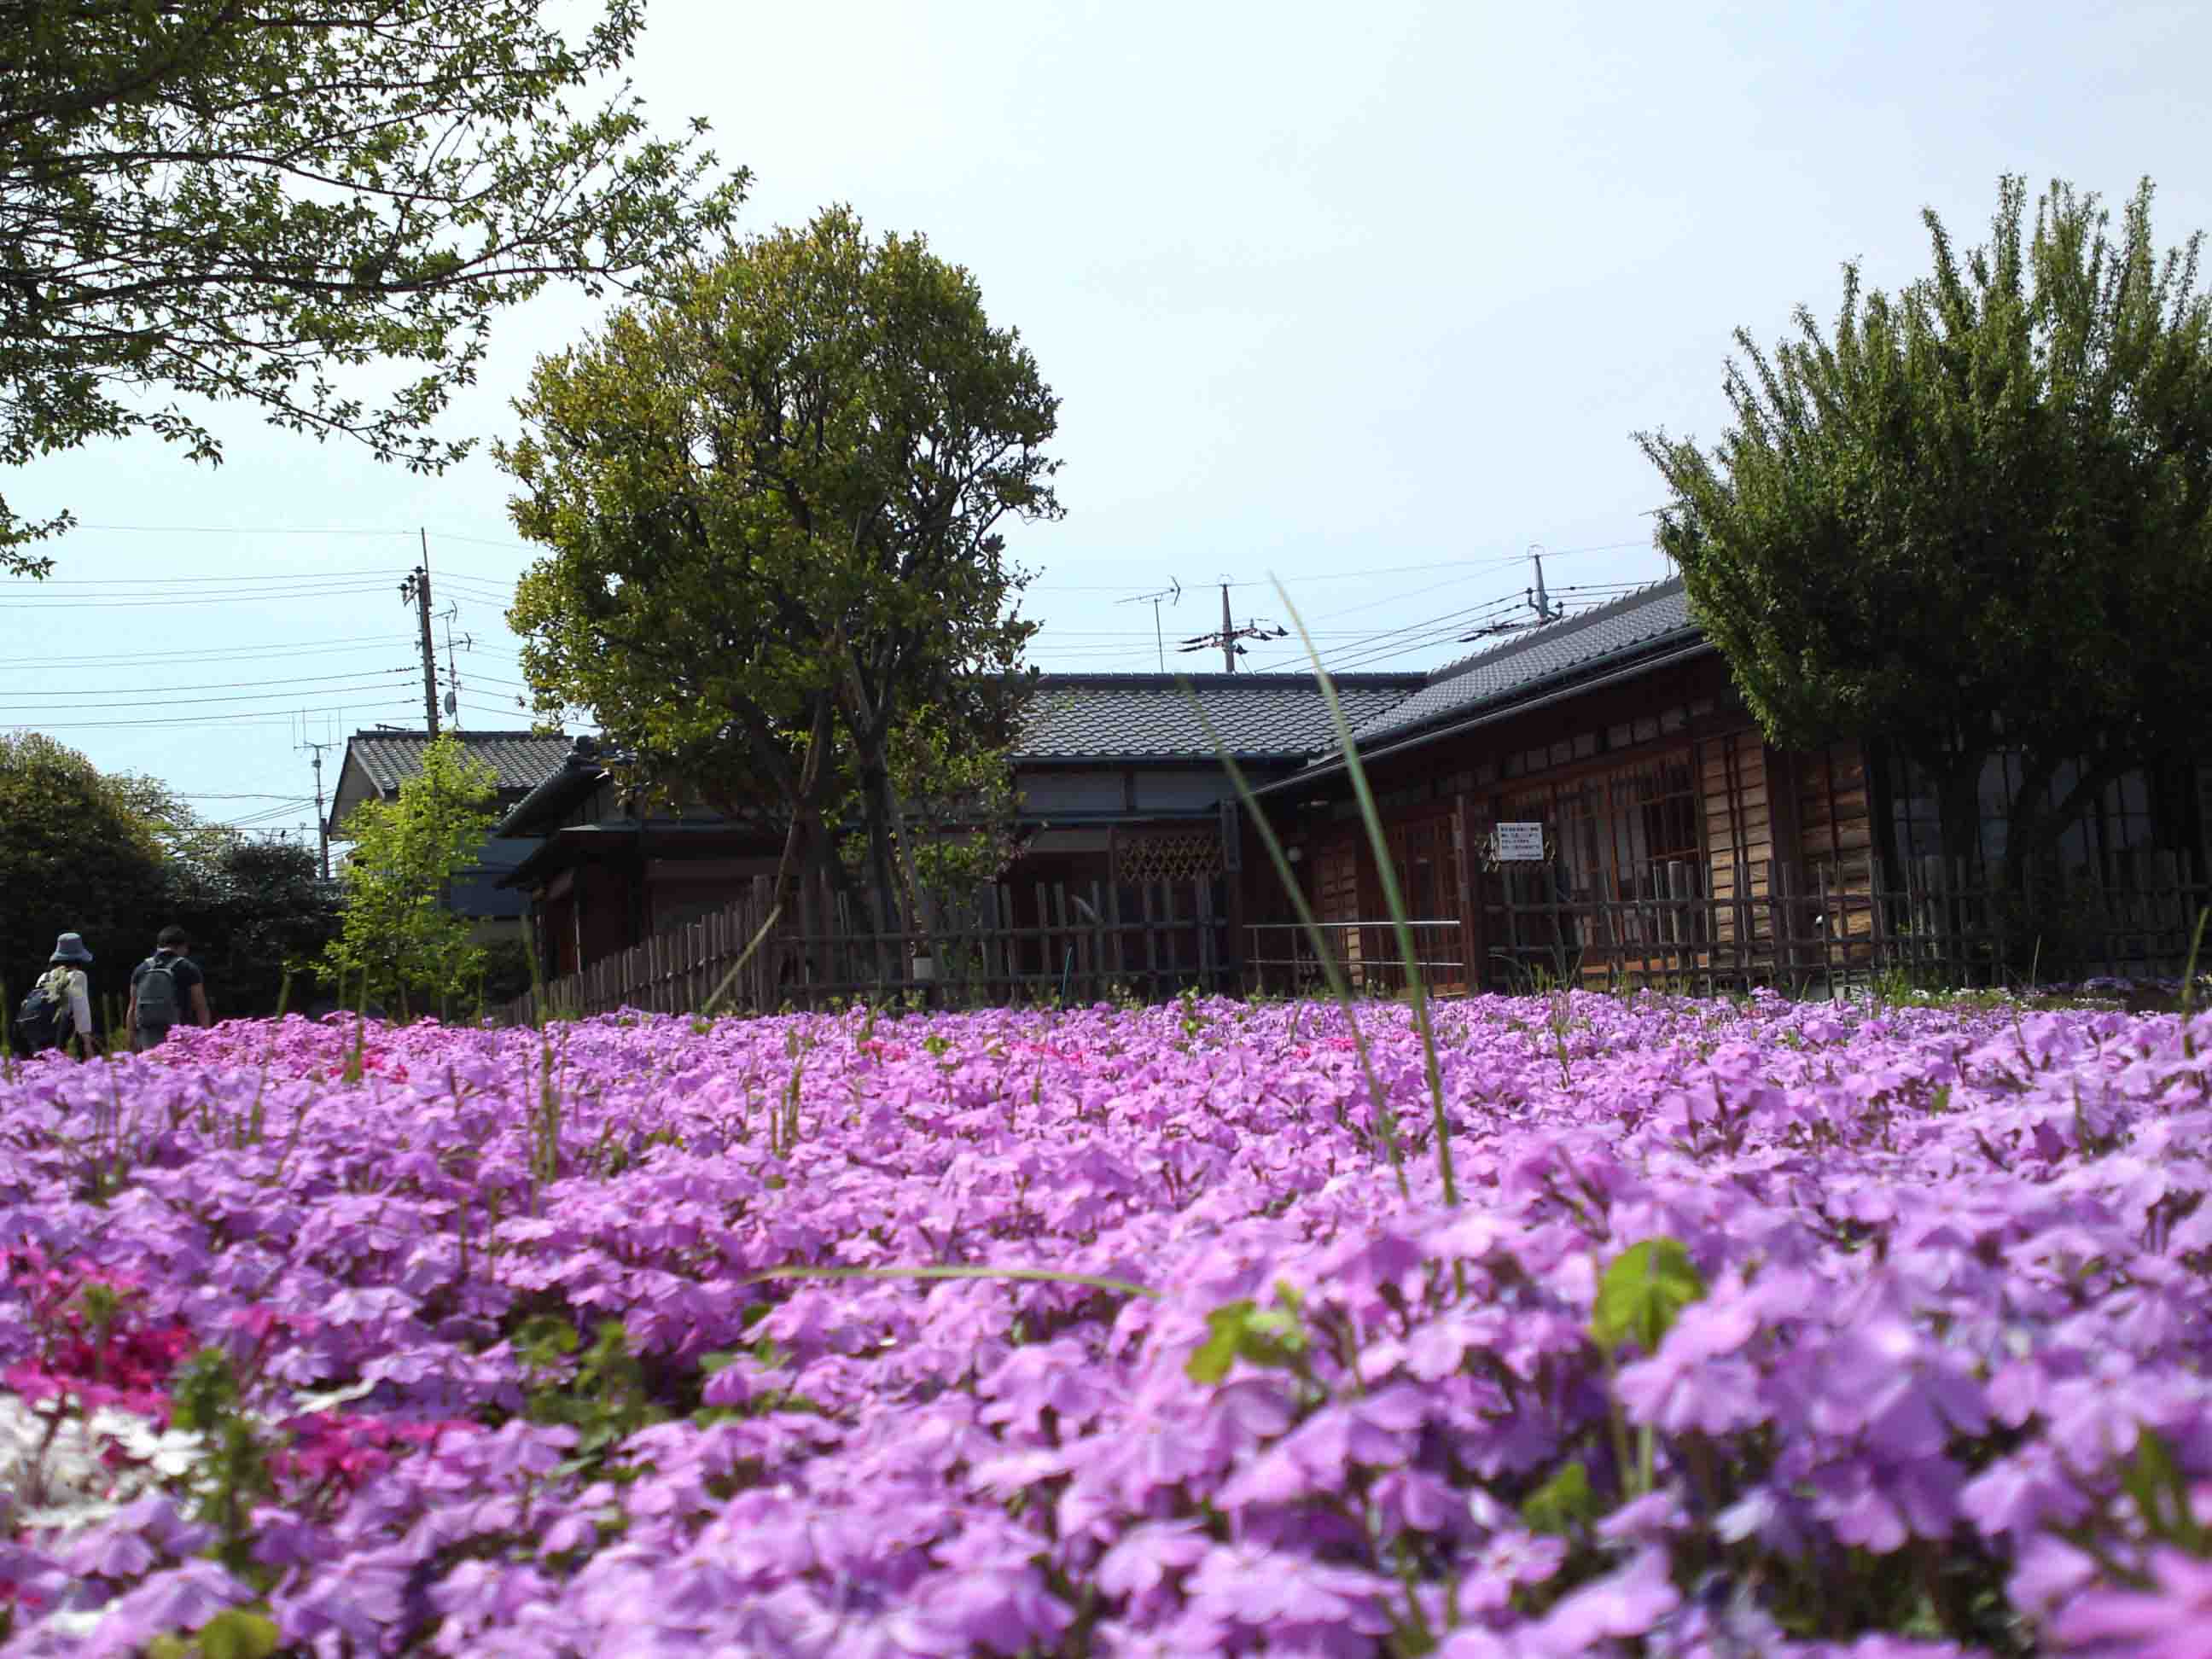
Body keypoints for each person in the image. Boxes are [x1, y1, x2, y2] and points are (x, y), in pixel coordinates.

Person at [126, 925, 210, 1051]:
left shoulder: (141, 969)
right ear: (183, 947)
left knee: (153, 1068)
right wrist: (206, 1036)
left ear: (158, 946)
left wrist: (131, 1038)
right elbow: (200, 1006)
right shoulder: (188, 968)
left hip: (148, 1035)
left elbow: (132, 1007)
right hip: (180, 1035)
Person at [16, 932, 96, 1057]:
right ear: (79, 957)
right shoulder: (78, 976)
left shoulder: (44, 977)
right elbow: (81, 1009)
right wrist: (87, 1042)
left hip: (38, 1038)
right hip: (62, 1036)